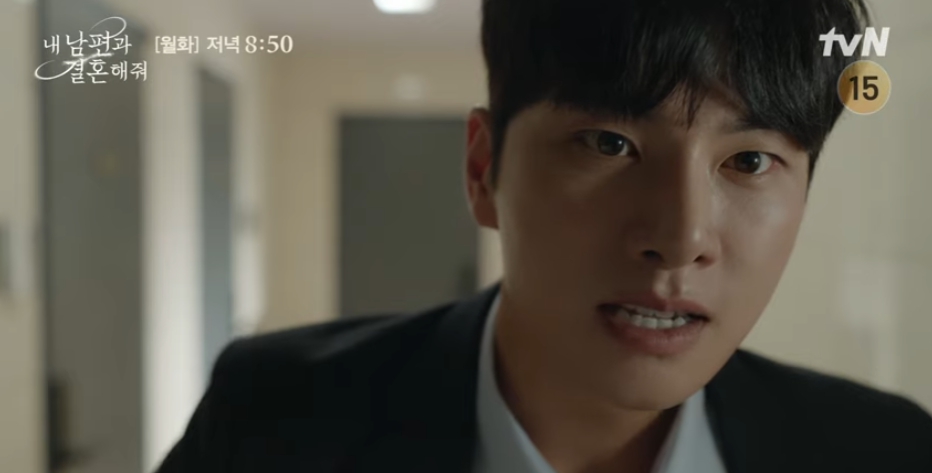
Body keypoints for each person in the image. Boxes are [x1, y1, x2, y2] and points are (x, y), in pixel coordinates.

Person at [156, 0, 932, 472]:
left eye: (750, 160)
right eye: (609, 144)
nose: (681, 236)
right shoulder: (273, 419)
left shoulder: (883, 451)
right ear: (483, 168)